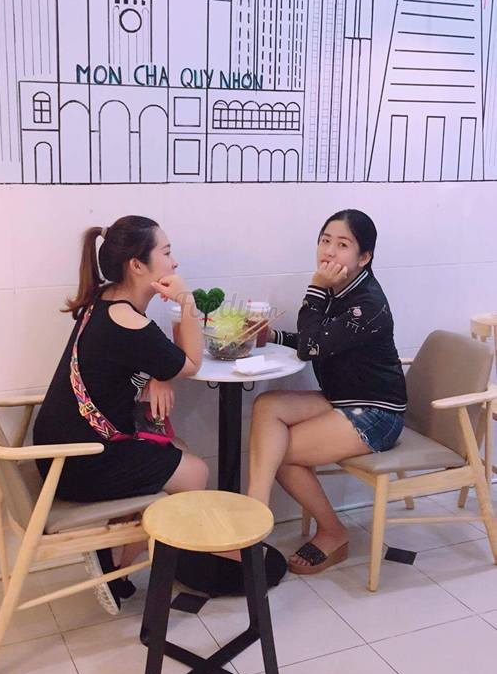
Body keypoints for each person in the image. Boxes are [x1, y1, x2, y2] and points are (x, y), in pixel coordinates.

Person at [33, 215, 208, 613]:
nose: (174, 262)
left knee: (176, 448)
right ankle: (117, 563)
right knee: (195, 473)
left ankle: (118, 555)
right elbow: (192, 362)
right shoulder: (129, 320)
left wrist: (160, 374)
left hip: (63, 450)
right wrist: (187, 302)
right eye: (166, 253)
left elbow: (153, 358)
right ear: (137, 265)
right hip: (80, 462)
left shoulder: (104, 300)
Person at [247, 209, 406, 575]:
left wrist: (315, 288)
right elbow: (319, 339)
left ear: (364, 257)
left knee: (277, 453)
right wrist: (273, 336)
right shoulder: (341, 289)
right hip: (343, 398)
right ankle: (255, 510)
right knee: (268, 405)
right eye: (325, 241)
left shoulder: (366, 304)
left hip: (377, 413)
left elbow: (312, 347)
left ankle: (331, 531)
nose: (330, 251)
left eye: (343, 245)